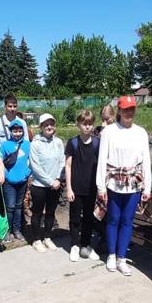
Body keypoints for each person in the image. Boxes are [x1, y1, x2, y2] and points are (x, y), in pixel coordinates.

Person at [96, 95, 152, 276]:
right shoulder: (109, 131)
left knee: (127, 221)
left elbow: (146, 161)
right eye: (125, 109)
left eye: (132, 109)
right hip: (113, 183)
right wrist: (101, 187)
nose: (129, 112)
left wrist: (147, 187)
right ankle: (111, 255)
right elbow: (102, 160)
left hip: (133, 184)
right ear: (119, 110)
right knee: (113, 219)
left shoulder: (141, 132)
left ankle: (121, 257)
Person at [64, 109, 101, 262]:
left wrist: (100, 188)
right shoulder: (73, 142)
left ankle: (85, 245)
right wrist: (69, 188)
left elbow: (101, 165)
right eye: (84, 124)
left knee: (88, 218)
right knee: (75, 219)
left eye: (90, 124)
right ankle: (74, 245)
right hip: (76, 188)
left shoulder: (98, 143)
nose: (87, 127)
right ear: (79, 124)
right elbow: (67, 166)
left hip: (92, 188)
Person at [28, 114, 64, 251]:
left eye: (51, 124)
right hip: (39, 186)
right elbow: (35, 166)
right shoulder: (35, 144)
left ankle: (47, 237)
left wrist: (58, 179)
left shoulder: (59, 142)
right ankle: (36, 240)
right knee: (37, 213)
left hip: (55, 185)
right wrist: (50, 181)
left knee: (50, 212)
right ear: (41, 127)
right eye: (46, 124)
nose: (49, 127)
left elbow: (62, 161)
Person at [0, 118, 30, 241]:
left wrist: (28, 173)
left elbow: (32, 161)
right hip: (9, 182)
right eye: (15, 131)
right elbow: (0, 161)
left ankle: (17, 230)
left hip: (22, 181)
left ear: (23, 131)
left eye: (19, 131)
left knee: (18, 206)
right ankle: (7, 231)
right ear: (11, 132)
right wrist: (5, 175)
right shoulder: (5, 145)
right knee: (10, 207)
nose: (17, 133)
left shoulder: (27, 144)